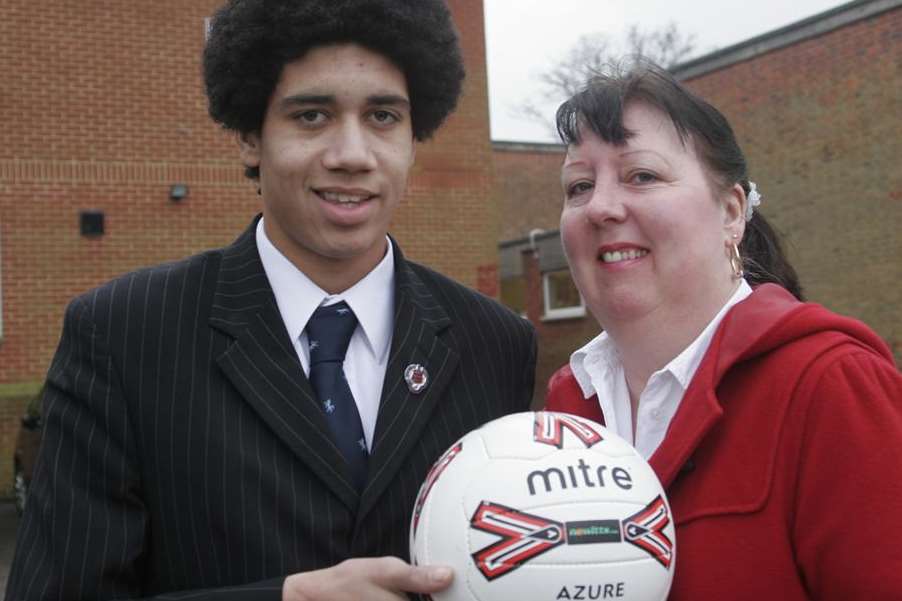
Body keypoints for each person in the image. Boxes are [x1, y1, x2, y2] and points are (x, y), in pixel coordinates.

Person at [5, 2, 537, 600]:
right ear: (250, 139)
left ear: (415, 137)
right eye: (312, 115)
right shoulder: (122, 333)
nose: (353, 154)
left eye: (383, 116)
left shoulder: (496, 343)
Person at [544, 61, 902, 600]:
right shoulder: (563, 412)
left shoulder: (828, 385)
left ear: (732, 212)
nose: (601, 206)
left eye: (642, 175)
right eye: (579, 186)